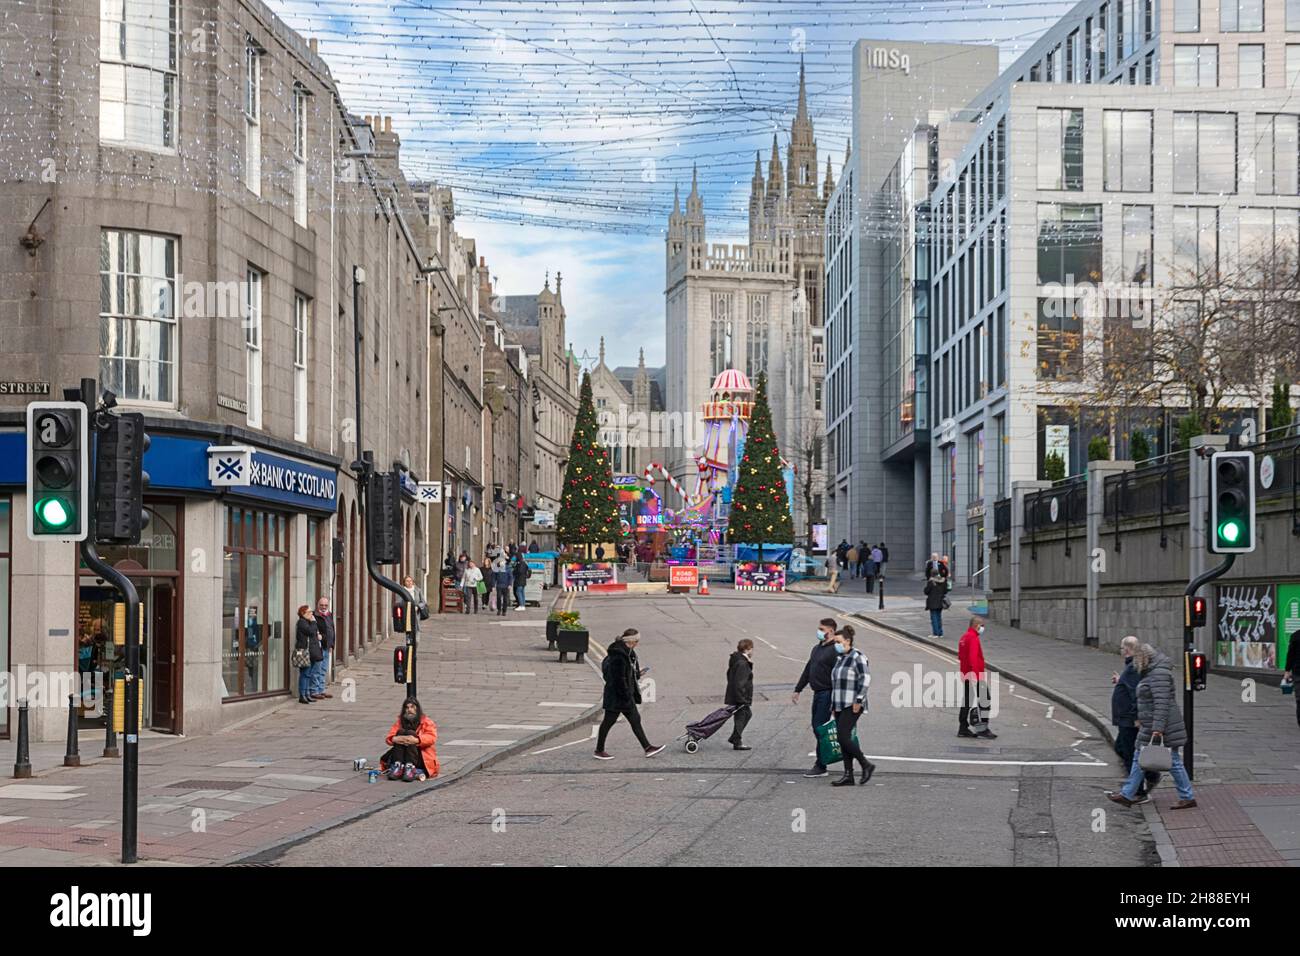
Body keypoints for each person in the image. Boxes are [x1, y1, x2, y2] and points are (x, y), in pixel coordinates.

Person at [1110, 643, 1196, 809]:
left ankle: (1187, 797)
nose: (1135, 665)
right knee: (1139, 757)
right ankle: (1127, 794)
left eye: (1137, 660)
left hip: (1161, 726)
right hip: (1151, 724)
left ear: (1144, 658)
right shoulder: (1153, 672)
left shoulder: (1159, 675)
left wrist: (1158, 729)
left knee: (1173, 762)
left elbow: (1162, 703)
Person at [594, 629, 665, 759]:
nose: (638, 643)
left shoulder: (628, 653)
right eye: (637, 640)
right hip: (618, 696)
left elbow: (627, 673)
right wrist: (626, 696)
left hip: (623, 695)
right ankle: (599, 750)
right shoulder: (618, 656)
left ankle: (647, 748)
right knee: (609, 722)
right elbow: (618, 679)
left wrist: (637, 674)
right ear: (631, 641)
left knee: (634, 720)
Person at [1111, 635, 1159, 799]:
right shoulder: (1131, 667)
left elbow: (1136, 695)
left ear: (1127, 649)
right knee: (1122, 748)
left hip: (1129, 719)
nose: (1121, 651)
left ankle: (1140, 787)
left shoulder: (1133, 668)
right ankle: (1147, 777)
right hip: (1126, 718)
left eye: (1122, 648)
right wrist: (1120, 682)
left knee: (1129, 752)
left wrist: (1136, 717)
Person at [792, 618, 840, 777]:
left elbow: (839, 677)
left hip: (827, 693)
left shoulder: (835, 651)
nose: (819, 632)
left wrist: (836, 701)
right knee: (817, 727)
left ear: (831, 631)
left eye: (822, 629)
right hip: (817, 693)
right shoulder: (817, 648)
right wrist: (798, 689)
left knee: (820, 728)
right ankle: (823, 762)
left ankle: (821, 765)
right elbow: (808, 669)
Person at [829, 626, 875, 786]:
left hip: (853, 703)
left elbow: (865, 678)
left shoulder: (858, 657)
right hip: (840, 703)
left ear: (847, 641)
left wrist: (859, 700)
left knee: (842, 736)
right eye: (835, 642)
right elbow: (836, 684)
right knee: (844, 739)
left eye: (838, 642)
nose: (836, 645)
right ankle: (848, 775)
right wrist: (833, 706)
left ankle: (866, 764)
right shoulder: (840, 658)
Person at [380, 697, 439, 782]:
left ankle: (410, 767)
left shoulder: (427, 722)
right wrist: (395, 738)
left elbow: (431, 738)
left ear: (417, 709)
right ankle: (398, 766)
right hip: (402, 754)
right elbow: (390, 737)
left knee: (411, 733)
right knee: (401, 732)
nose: (409, 710)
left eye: (412, 707)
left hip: (419, 756)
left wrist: (417, 740)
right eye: (407, 708)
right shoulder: (400, 721)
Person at [958, 616, 996, 739]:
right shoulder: (973, 638)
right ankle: (982, 729)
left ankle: (963, 728)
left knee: (967, 701)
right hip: (976, 675)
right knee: (985, 701)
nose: (983, 628)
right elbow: (973, 658)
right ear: (976, 625)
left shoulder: (964, 637)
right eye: (982, 625)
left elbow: (961, 657)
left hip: (966, 674)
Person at [725, 639, 754, 751]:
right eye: (751, 649)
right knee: (744, 715)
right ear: (747, 649)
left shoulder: (736, 659)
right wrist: (742, 699)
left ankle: (736, 738)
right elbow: (740, 683)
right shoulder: (742, 664)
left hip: (736, 695)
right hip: (740, 697)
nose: (752, 651)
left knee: (744, 715)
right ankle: (736, 740)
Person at [294, 605, 322, 704]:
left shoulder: (308, 622)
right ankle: (302, 695)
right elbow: (310, 632)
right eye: (309, 612)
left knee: (308, 674)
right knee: (305, 674)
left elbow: (314, 633)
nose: (312, 614)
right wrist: (314, 622)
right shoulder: (302, 622)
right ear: (303, 613)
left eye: (311, 612)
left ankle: (307, 694)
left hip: (311, 652)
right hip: (305, 652)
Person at [310, 596, 336, 700]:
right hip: (319, 648)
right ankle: (314, 691)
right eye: (321, 605)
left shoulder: (329, 615)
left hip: (327, 647)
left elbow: (332, 630)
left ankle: (321, 690)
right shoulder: (314, 616)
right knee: (317, 670)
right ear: (318, 605)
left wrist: (332, 645)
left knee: (323, 670)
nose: (324, 607)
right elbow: (313, 631)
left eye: (326, 605)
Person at [1287, 632, 1300, 729]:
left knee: (1299, 699)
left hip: (1298, 672)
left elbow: (1290, 654)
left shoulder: (1296, 635)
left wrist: (1287, 670)